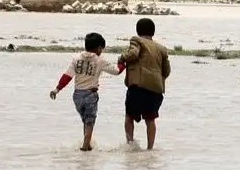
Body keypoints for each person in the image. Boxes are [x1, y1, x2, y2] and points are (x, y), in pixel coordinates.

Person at [49, 32, 125, 151]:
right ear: (99, 48)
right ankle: (85, 145)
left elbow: (67, 76)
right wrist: (122, 63)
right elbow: (116, 71)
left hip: (77, 95)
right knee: (90, 121)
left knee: (85, 120)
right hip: (90, 94)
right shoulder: (100, 61)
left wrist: (57, 89)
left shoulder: (76, 59)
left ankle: (87, 142)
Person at [119, 18, 171, 151]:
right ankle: (150, 149)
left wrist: (122, 57)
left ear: (138, 31)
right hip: (156, 90)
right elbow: (167, 71)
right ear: (153, 32)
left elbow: (133, 54)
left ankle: (130, 145)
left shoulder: (136, 41)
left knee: (129, 116)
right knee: (150, 119)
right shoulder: (162, 49)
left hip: (138, 87)